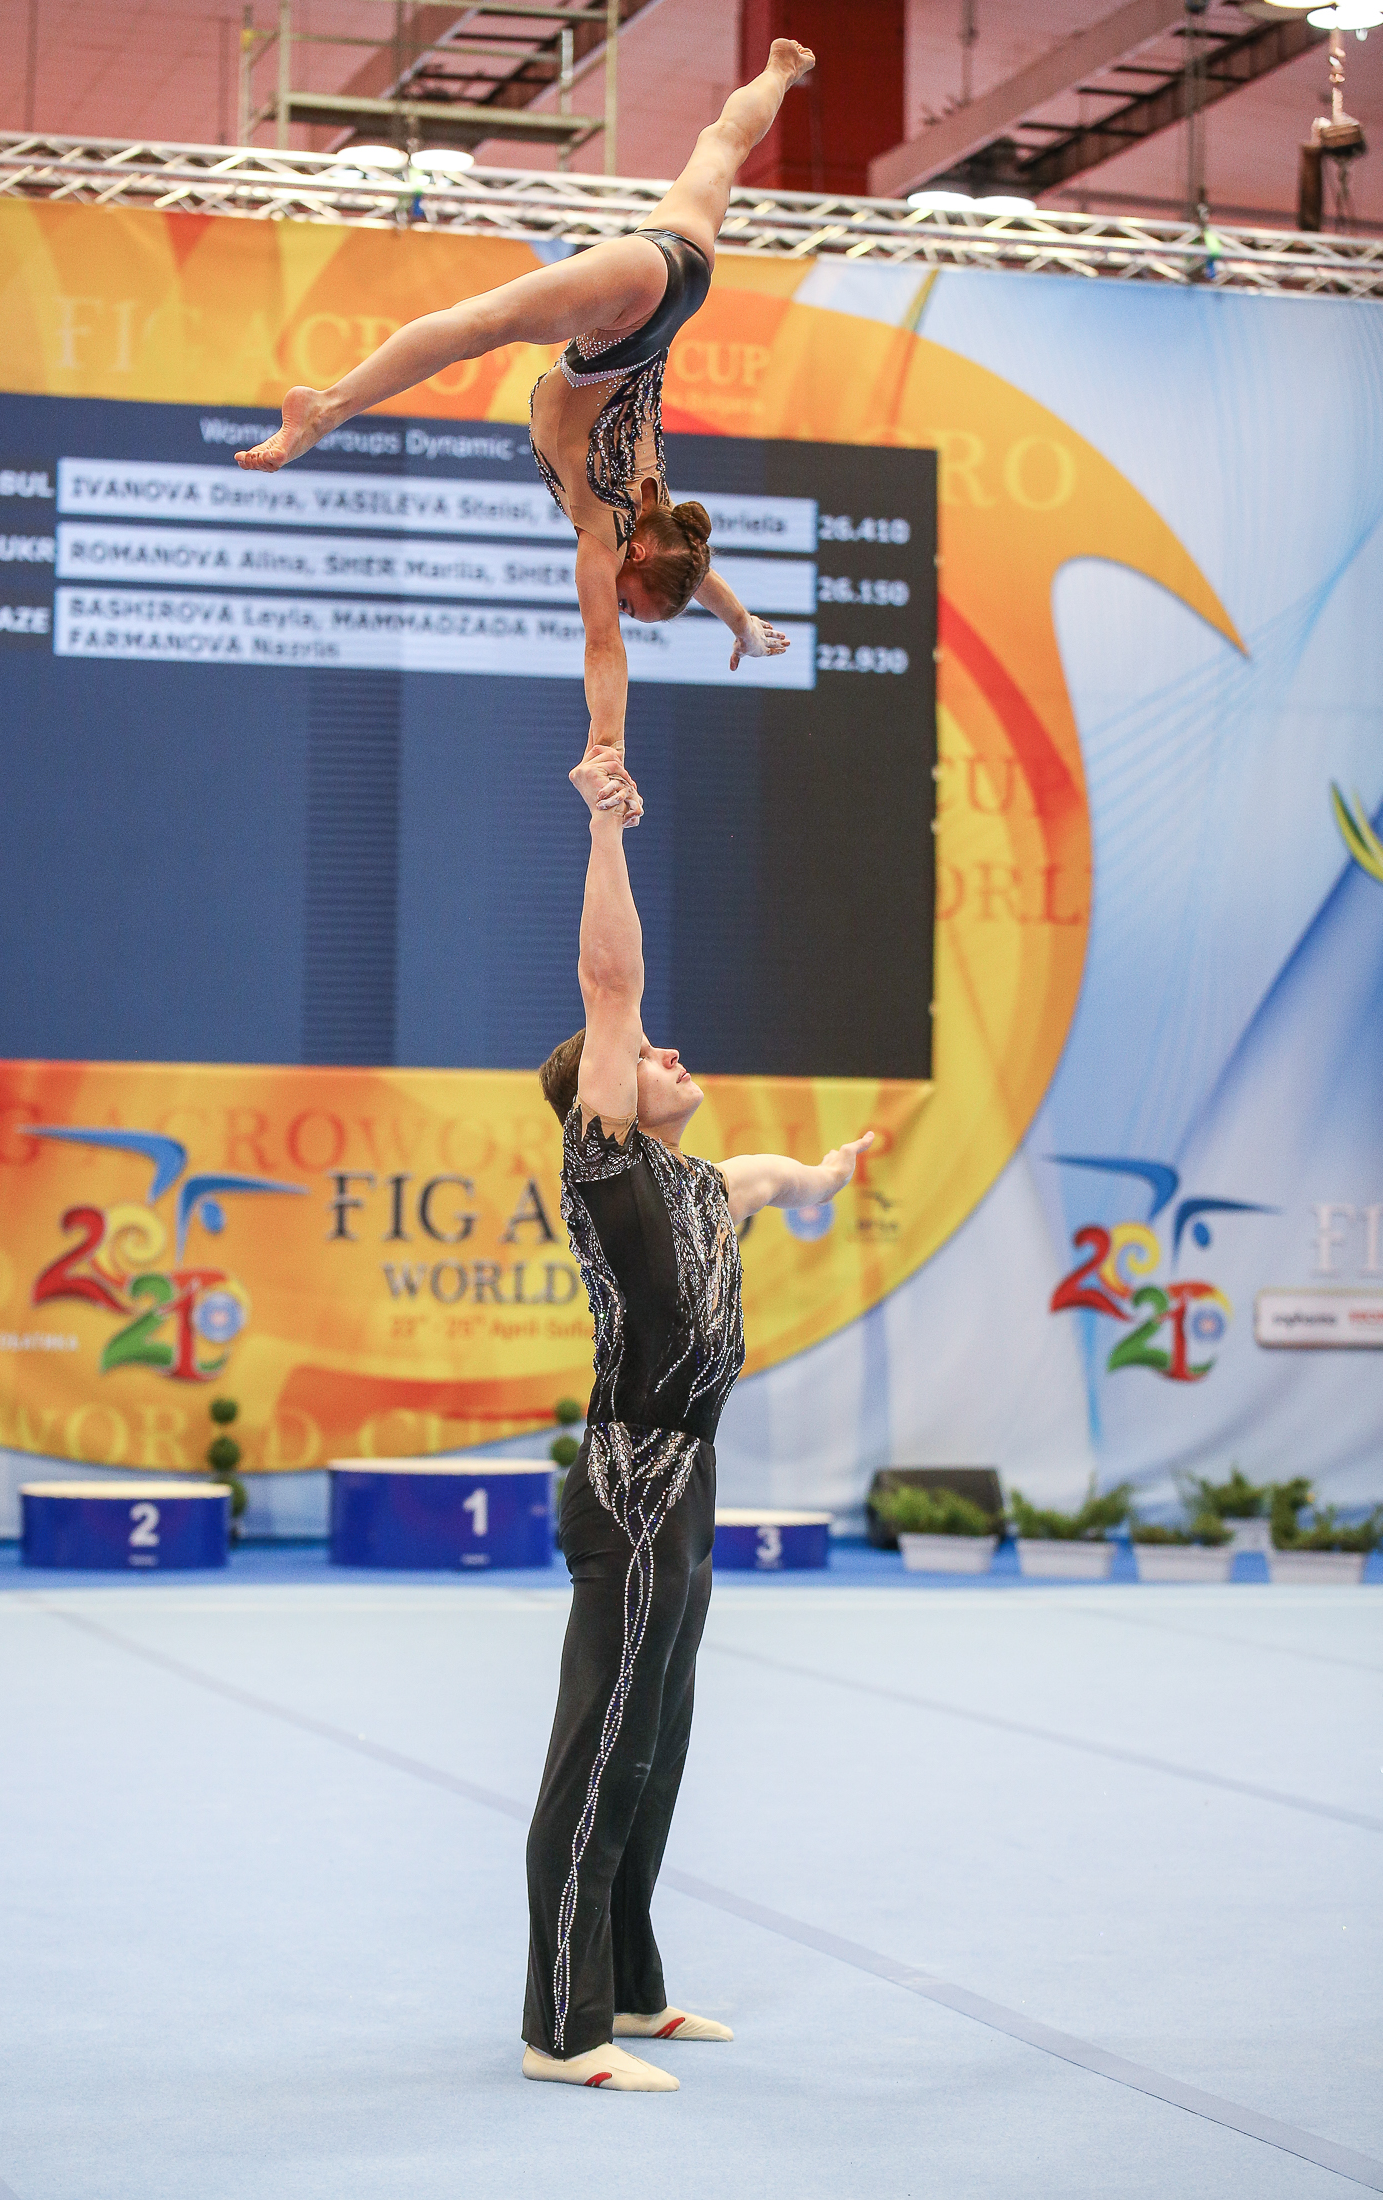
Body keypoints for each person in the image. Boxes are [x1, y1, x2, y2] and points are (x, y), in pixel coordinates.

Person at [521, 743, 872, 2092]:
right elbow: (609, 986)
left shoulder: (706, 1184)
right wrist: (606, 828)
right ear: (604, 1093)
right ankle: (560, 2028)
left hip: (691, 1479)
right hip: (627, 1479)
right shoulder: (604, 1163)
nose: (668, 1053)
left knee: (655, 1745)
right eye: (642, 1056)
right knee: (600, 1745)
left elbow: (790, 1183)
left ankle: (627, 1989)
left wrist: (828, 1174)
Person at [235, 43, 818, 747]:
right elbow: (603, 647)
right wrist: (607, 749)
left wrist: (743, 625)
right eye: (631, 606)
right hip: (630, 315)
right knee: (482, 324)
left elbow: (692, 574)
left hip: (680, 276)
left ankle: (780, 70)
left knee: (722, 144)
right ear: (635, 560)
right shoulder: (606, 538)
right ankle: (323, 410)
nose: (617, 610)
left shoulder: (661, 517)